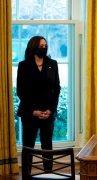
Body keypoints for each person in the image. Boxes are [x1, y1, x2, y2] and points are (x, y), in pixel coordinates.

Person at [17, 36, 61, 176]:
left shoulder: (52, 64)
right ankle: (26, 176)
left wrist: (50, 110)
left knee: (47, 146)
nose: (44, 47)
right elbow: (21, 91)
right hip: (30, 113)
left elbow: (56, 89)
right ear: (33, 47)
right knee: (28, 147)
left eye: (45, 45)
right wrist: (33, 111)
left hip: (48, 113)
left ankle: (49, 174)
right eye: (41, 45)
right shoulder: (23, 65)